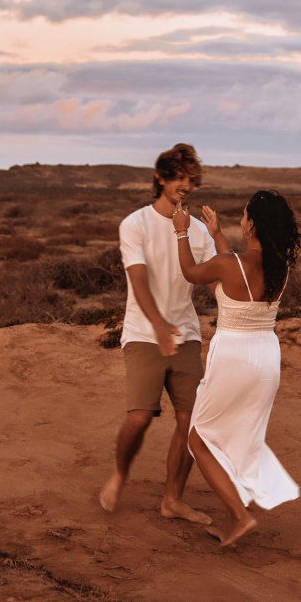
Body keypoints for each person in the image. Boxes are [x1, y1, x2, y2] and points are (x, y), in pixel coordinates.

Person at [171, 189, 301, 547]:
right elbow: (235, 272)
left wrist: (181, 231)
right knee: (240, 436)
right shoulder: (280, 268)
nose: (242, 220)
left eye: (245, 215)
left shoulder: (230, 265)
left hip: (234, 357)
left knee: (198, 439)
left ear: (252, 226)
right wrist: (216, 234)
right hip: (265, 358)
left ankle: (240, 515)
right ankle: (233, 517)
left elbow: (191, 272)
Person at [98, 143, 217, 525]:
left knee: (191, 423)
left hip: (186, 335)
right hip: (143, 333)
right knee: (140, 417)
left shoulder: (198, 231)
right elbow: (138, 280)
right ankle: (120, 475)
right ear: (160, 178)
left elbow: (217, 279)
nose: (186, 186)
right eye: (179, 178)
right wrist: (159, 326)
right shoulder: (135, 224)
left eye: (191, 180)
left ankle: (172, 499)